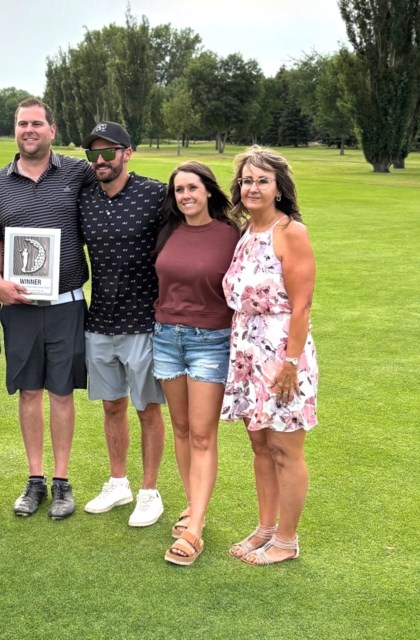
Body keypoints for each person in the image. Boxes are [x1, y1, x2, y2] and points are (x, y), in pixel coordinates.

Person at [0, 98, 96, 519]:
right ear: (15, 131)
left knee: (62, 392)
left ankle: (62, 482)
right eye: (21, 124)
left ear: (52, 129)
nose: (28, 130)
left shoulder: (78, 173)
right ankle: (35, 481)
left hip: (66, 303)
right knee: (29, 390)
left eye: (36, 123)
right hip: (19, 308)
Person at [221, 146, 318, 566]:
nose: (253, 187)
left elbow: (302, 306)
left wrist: (290, 364)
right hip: (246, 351)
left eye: (262, 180)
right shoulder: (245, 231)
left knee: (285, 449)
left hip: (281, 355)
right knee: (260, 445)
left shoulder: (289, 231)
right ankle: (264, 528)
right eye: (247, 180)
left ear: (279, 187)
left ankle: (287, 538)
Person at [78, 121, 168, 527]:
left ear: (127, 153)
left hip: (144, 320)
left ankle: (150, 492)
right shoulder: (85, 200)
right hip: (100, 319)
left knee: (147, 407)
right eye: (93, 154)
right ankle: (119, 483)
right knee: (111, 405)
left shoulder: (154, 195)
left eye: (108, 152)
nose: (100, 160)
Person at [153, 162, 240, 566]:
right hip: (167, 338)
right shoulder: (168, 231)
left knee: (203, 435)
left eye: (192, 188)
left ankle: (196, 528)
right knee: (183, 429)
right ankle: (191, 505)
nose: (185, 195)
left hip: (211, 341)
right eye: (178, 190)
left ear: (207, 191)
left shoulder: (230, 236)